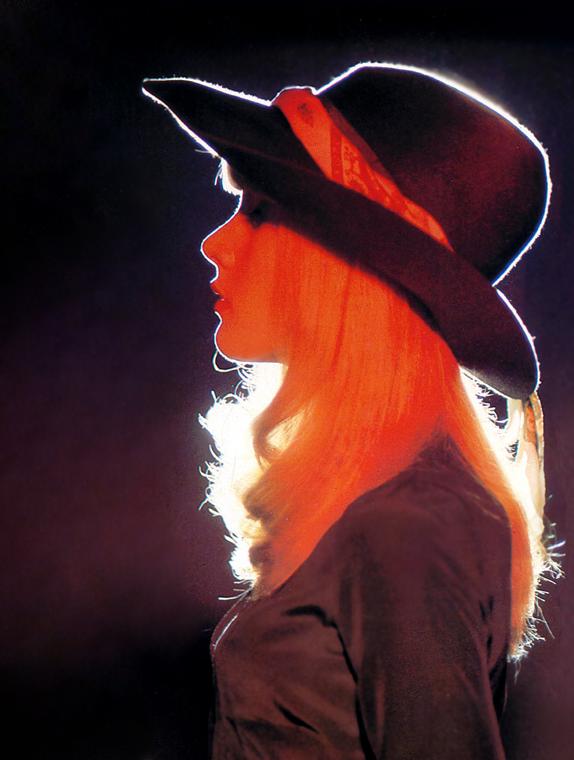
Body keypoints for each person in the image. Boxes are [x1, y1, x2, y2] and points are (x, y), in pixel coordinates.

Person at [142, 63, 562, 759]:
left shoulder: (407, 525)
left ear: (350, 262)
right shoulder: (388, 502)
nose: (215, 244)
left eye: (257, 210)